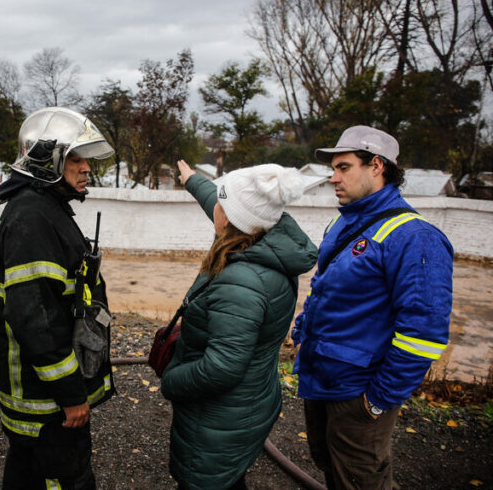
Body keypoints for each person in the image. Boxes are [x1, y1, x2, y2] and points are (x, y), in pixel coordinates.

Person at [292, 126, 453, 489]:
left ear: (377, 165)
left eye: (344, 167)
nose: (333, 178)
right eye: (333, 168)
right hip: (322, 380)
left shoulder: (415, 237)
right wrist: (301, 331)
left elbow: (423, 334)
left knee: (362, 480)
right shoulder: (345, 220)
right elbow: (326, 287)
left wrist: (378, 400)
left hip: (359, 393)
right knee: (330, 464)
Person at [162, 161, 318, 490]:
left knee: (204, 481)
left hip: (217, 417)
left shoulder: (240, 282)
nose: (214, 208)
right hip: (246, 403)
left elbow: (222, 367)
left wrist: (172, 380)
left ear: (230, 218)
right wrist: (192, 180)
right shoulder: (263, 240)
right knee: (230, 479)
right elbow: (222, 201)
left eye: (221, 205)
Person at [0, 107, 116, 490]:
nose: (86, 168)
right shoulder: (34, 217)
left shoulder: (46, 208)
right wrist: (70, 394)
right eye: (76, 158)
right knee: (64, 479)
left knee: (26, 477)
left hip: (42, 402)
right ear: (48, 158)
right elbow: (36, 320)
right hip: (45, 405)